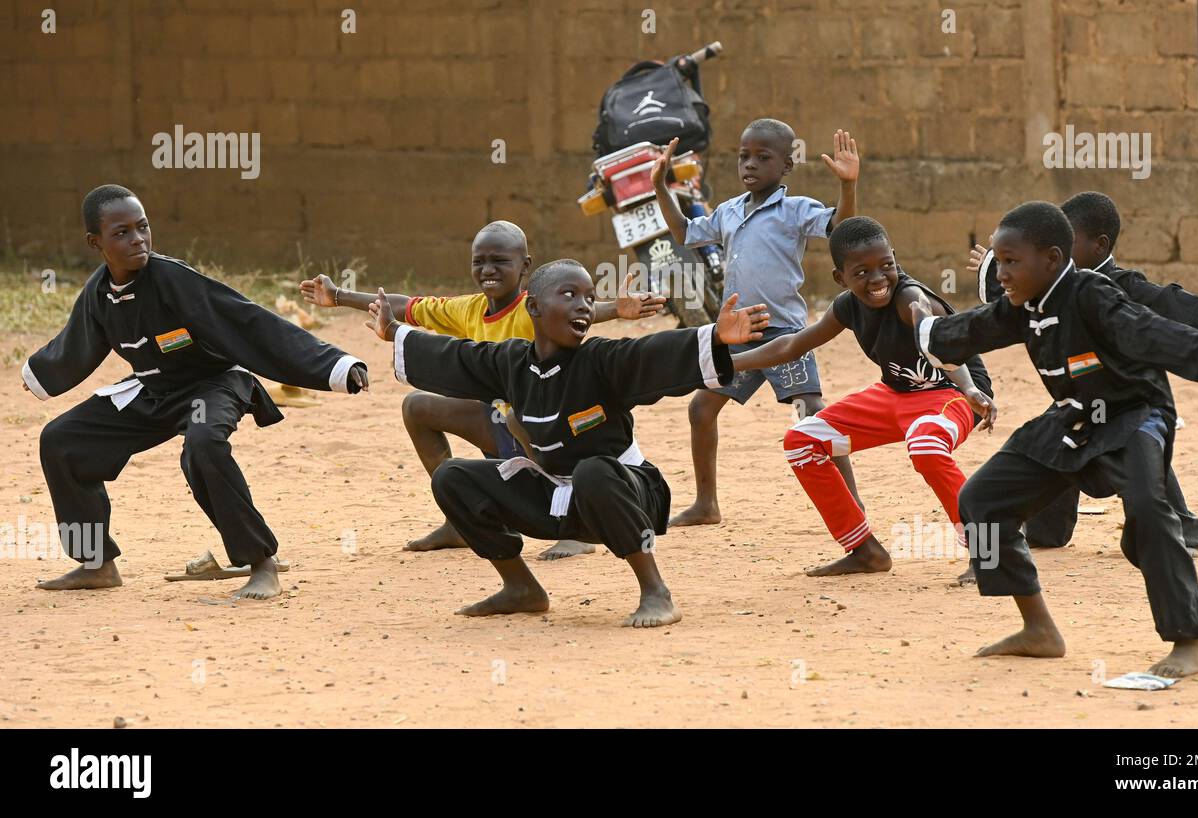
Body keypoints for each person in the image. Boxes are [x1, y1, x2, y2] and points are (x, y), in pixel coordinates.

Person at [918, 201, 1198, 677]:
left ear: (1051, 259)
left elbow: (1148, 330)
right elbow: (971, 328)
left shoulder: (1092, 291)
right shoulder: (1023, 305)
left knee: (1150, 511)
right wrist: (919, 323)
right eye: (998, 261)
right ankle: (1038, 630)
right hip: (1073, 419)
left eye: (1011, 262)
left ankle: (1187, 642)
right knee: (981, 501)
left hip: (1135, 416)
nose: (1001, 274)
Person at [364, 259, 769, 626]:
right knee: (452, 477)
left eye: (590, 298)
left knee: (593, 469)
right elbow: (456, 356)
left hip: (626, 492)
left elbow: (650, 353)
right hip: (555, 497)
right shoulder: (511, 361)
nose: (584, 306)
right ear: (534, 308)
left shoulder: (601, 360)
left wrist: (715, 337)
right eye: (570, 294)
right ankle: (521, 588)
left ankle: (655, 592)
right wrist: (394, 331)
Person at [22, 185, 369, 600]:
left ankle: (261, 565)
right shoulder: (99, 294)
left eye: (143, 227)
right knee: (61, 441)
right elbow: (77, 345)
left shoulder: (173, 279)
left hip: (215, 383)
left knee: (203, 445)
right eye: (122, 233)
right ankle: (96, 564)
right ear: (95, 242)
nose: (138, 239)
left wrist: (335, 366)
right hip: (153, 390)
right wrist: (40, 371)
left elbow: (250, 323)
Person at [300, 220, 664, 559]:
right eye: (480, 261)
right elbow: (404, 306)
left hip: (548, 426)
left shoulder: (537, 308)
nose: (488, 270)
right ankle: (460, 519)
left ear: (525, 267)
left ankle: (573, 528)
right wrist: (338, 296)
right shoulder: (468, 309)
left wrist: (617, 309)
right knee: (417, 407)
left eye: (500, 261)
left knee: (523, 417)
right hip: (498, 420)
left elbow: (580, 310)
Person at [967, 191, 1198, 554]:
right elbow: (1015, 292)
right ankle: (1046, 529)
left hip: (1124, 394)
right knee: (1061, 442)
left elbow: (1165, 300)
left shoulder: (1119, 283)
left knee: (1141, 450)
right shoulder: (1051, 285)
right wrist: (991, 267)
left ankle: (1183, 529)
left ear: (1099, 245)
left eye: (1068, 241)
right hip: (1077, 395)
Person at [731, 217, 995, 580]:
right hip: (897, 394)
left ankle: (988, 552)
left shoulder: (909, 298)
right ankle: (864, 550)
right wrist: (725, 363)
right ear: (841, 278)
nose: (878, 279)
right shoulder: (846, 306)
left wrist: (969, 389)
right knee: (802, 440)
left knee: (926, 446)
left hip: (952, 391)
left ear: (895, 259)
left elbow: (935, 341)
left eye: (886, 265)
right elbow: (792, 344)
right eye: (863, 272)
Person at [650, 122, 860, 527]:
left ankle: (854, 507)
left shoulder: (795, 209)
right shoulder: (729, 211)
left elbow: (840, 228)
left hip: (785, 336)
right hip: (740, 334)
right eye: (744, 156)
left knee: (812, 414)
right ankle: (706, 504)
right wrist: (662, 187)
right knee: (701, 407)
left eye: (763, 158)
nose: (750, 164)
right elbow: (685, 232)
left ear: (786, 166)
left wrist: (848, 187)